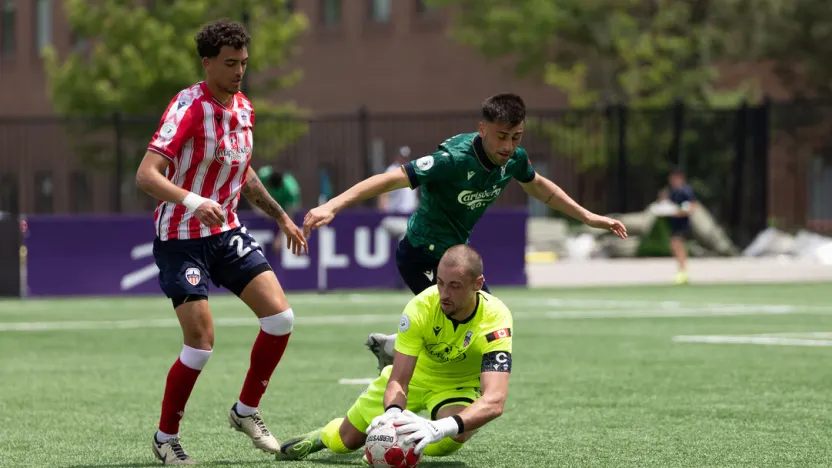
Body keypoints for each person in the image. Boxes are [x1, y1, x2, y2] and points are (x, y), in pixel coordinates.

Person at [302, 93, 627, 371]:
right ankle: (403, 387)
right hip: (421, 255)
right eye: (502, 136)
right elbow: (390, 179)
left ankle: (396, 350)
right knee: (480, 325)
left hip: (455, 257)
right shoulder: (452, 159)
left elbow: (540, 188)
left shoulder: (513, 159)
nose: (509, 146)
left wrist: (587, 216)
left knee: (476, 328)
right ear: (482, 129)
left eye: (517, 137)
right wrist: (333, 205)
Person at [135, 20, 308, 465]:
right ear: (207, 62)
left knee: (281, 319)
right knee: (200, 342)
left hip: (225, 231)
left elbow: (244, 174)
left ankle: (246, 411)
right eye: (229, 64)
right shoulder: (188, 106)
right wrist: (193, 201)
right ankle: (165, 438)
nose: (238, 72)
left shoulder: (244, 108)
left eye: (244, 64)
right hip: (180, 237)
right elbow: (146, 175)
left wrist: (283, 218)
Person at [275, 245, 515, 464]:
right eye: (440, 282)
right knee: (345, 442)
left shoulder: (496, 318)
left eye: (454, 286)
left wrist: (438, 429)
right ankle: (320, 437)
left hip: (458, 385)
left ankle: (416, 439)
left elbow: (495, 400)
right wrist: (392, 415)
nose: (443, 294)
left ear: (478, 283)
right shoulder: (420, 307)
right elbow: (399, 380)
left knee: (447, 439)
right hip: (417, 375)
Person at [662, 167, 697, 285]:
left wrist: (680, 212)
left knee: (678, 246)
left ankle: (683, 272)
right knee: (674, 247)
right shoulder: (672, 191)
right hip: (674, 224)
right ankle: (681, 271)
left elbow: (692, 207)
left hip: (682, 224)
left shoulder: (686, 191)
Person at [254, 165, 302, 252]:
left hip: (283, 209)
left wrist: (280, 238)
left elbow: (289, 217)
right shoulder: (263, 174)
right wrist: (259, 208)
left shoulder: (291, 190)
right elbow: (249, 188)